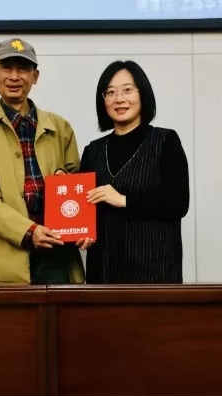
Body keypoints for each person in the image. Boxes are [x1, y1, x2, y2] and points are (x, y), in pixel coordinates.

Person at [0, 38, 85, 285]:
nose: (14, 77)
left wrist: (81, 225)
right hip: (1, 262)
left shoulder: (60, 127)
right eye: (6, 68)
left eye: (23, 69)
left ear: (35, 76)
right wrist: (29, 231)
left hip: (57, 253)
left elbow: (77, 186)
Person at [76, 60, 190, 284]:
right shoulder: (93, 151)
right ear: (103, 100)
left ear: (142, 94)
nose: (119, 99)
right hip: (104, 274)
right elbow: (84, 210)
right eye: (110, 92)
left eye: (127, 90)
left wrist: (123, 200)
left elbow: (178, 204)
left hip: (155, 273)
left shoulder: (165, 141)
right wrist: (83, 232)